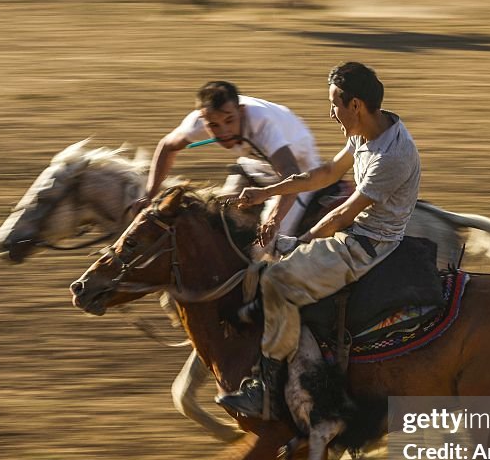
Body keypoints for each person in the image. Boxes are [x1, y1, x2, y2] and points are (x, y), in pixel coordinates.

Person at [217, 62, 421, 420]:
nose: (331, 114)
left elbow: (343, 214)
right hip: (351, 233)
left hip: (365, 246)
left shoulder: (392, 155)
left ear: (355, 105)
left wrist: (299, 242)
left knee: (277, 281)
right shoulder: (366, 130)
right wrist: (266, 191)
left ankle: (265, 391)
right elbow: (326, 174)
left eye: (334, 105)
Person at [134, 80, 325, 244]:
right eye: (214, 125)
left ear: (241, 111)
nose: (223, 131)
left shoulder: (264, 124)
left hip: (301, 169)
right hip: (254, 163)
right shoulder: (198, 121)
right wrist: (149, 195)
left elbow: (291, 174)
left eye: (229, 120)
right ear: (203, 119)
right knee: (215, 216)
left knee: (268, 240)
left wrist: (274, 219)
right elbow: (167, 147)